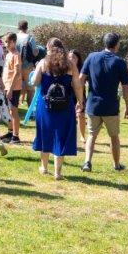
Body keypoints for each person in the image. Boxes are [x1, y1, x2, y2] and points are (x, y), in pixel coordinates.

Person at [80, 32, 128, 173]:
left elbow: (80, 79)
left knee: (91, 135)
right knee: (114, 137)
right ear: (117, 44)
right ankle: (116, 165)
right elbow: (126, 87)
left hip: (93, 104)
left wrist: (80, 99)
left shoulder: (91, 57)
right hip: (111, 106)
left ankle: (87, 162)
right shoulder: (120, 62)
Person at [31, 42, 84, 179]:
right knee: (61, 136)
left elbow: (35, 82)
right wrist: (80, 101)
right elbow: (77, 85)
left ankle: (43, 167)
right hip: (65, 105)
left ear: (49, 48)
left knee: (45, 133)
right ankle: (58, 172)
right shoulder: (70, 64)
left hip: (46, 105)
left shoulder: (43, 62)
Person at [0, 33, 23, 144]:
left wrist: (11, 89)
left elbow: (17, 72)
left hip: (14, 88)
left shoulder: (16, 55)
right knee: (9, 110)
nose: (6, 44)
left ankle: (16, 136)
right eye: (5, 42)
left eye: (8, 42)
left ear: (14, 42)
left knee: (13, 110)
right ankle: (10, 131)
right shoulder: (8, 54)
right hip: (7, 86)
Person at [16, 20, 42, 106]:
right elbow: (35, 52)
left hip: (16, 65)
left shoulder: (14, 37)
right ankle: (30, 109)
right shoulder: (30, 37)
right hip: (27, 66)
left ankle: (13, 105)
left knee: (16, 86)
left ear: (18, 27)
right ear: (27, 28)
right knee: (30, 89)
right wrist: (38, 50)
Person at [68, 50, 87, 141]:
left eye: (74, 57)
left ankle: (82, 136)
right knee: (69, 116)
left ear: (78, 60)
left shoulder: (82, 70)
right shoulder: (64, 68)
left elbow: (82, 84)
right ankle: (70, 135)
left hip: (80, 95)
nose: (71, 59)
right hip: (68, 94)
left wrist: (81, 99)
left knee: (81, 115)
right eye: (70, 57)